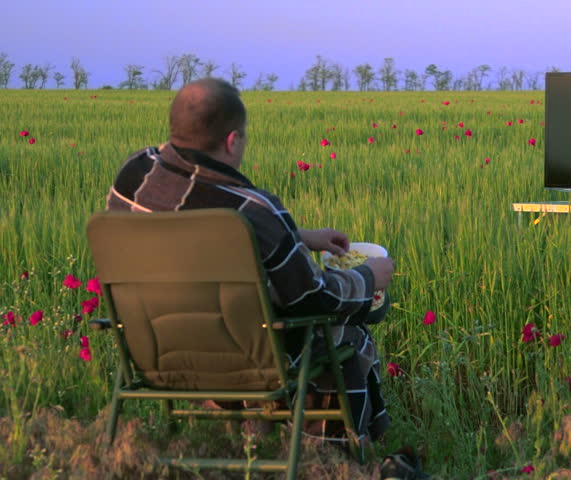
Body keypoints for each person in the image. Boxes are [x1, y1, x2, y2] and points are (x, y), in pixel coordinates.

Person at [104, 78, 410, 464]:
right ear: (233, 141)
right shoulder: (255, 210)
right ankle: (334, 459)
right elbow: (313, 298)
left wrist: (298, 236)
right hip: (249, 362)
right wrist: (369, 277)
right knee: (346, 334)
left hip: (154, 353)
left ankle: (242, 432)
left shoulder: (133, 175)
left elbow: (193, 222)